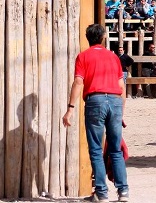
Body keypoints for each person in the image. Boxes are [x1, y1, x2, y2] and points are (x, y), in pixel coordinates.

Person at [62, 24, 129, 202]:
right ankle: (123, 192)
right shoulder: (114, 57)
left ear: (87, 38)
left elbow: (78, 82)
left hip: (95, 101)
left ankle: (101, 192)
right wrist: (121, 112)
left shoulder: (83, 57)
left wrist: (70, 108)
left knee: (96, 149)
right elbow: (122, 87)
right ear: (103, 38)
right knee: (115, 149)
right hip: (114, 101)